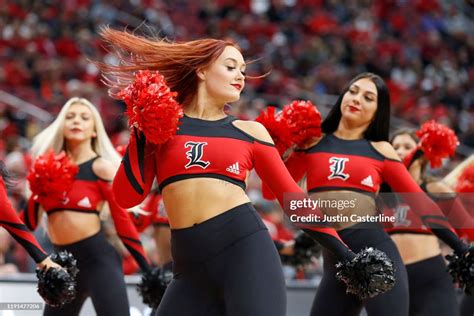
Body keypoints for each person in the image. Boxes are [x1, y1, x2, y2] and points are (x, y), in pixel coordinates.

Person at [97, 28, 391, 316]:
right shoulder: (163, 129)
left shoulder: (250, 132)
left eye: (243, 70)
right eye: (230, 66)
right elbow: (125, 196)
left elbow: (293, 200)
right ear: (201, 70)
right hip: (188, 270)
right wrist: (141, 129)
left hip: (246, 253)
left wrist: (345, 255)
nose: (241, 76)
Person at [281, 72, 469, 316]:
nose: (357, 98)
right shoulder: (311, 144)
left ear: (377, 111)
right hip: (336, 263)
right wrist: (282, 145)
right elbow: (277, 190)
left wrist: (461, 248)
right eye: (353, 91)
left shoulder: (381, 150)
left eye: (368, 97)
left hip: (378, 259)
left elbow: (421, 203)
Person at [21, 97, 151, 316]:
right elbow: (27, 222)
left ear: (94, 130)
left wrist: (148, 270)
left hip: (99, 260)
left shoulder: (102, 167)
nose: (76, 121)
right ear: (61, 125)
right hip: (61, 266)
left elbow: (123, 224)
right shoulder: (45, 167)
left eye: (84, 117)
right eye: (70, 117)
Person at [387, 129, 464, 316]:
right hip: (393, 279)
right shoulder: (381, 192)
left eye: (407, 146)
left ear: (421, 155)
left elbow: (465, 225)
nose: (399, 151)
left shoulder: (434, 187)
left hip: (430, 274)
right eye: (395, 147)